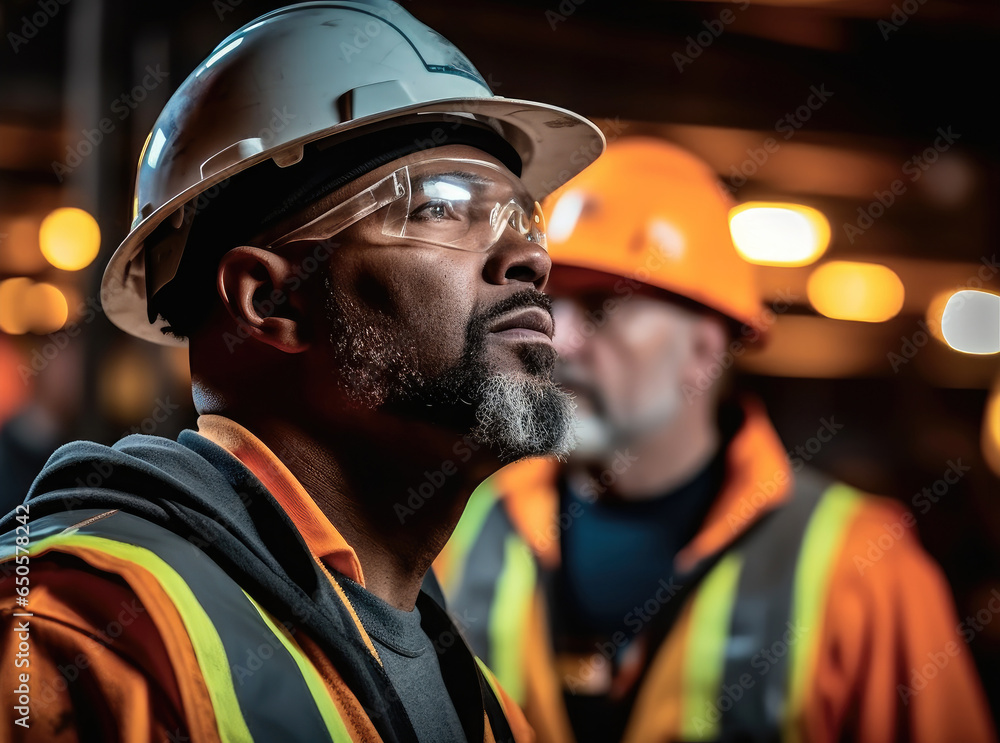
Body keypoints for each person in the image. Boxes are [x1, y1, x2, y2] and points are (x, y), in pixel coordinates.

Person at [0, 2, 605, 740]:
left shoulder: (486, 709)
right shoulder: (69, 639)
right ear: (272, 299)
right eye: (443, 208)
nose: (531, 259)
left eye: (520, 216)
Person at [435, 138, 997, 743]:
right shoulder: (460, 526)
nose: (560, 342)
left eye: (601, 309)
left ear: (704, 347)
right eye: (552, 305)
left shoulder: (863, 567)